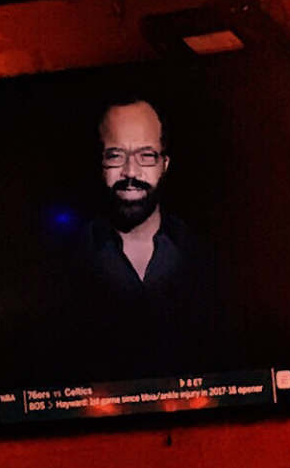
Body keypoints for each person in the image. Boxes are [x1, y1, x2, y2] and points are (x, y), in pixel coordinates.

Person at [50, 93, 234, 377]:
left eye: (145, 156)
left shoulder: (206, 255)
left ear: (165, 164)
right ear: (100, 163)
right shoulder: (65, 260)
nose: (130, 172)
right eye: (115, 156)